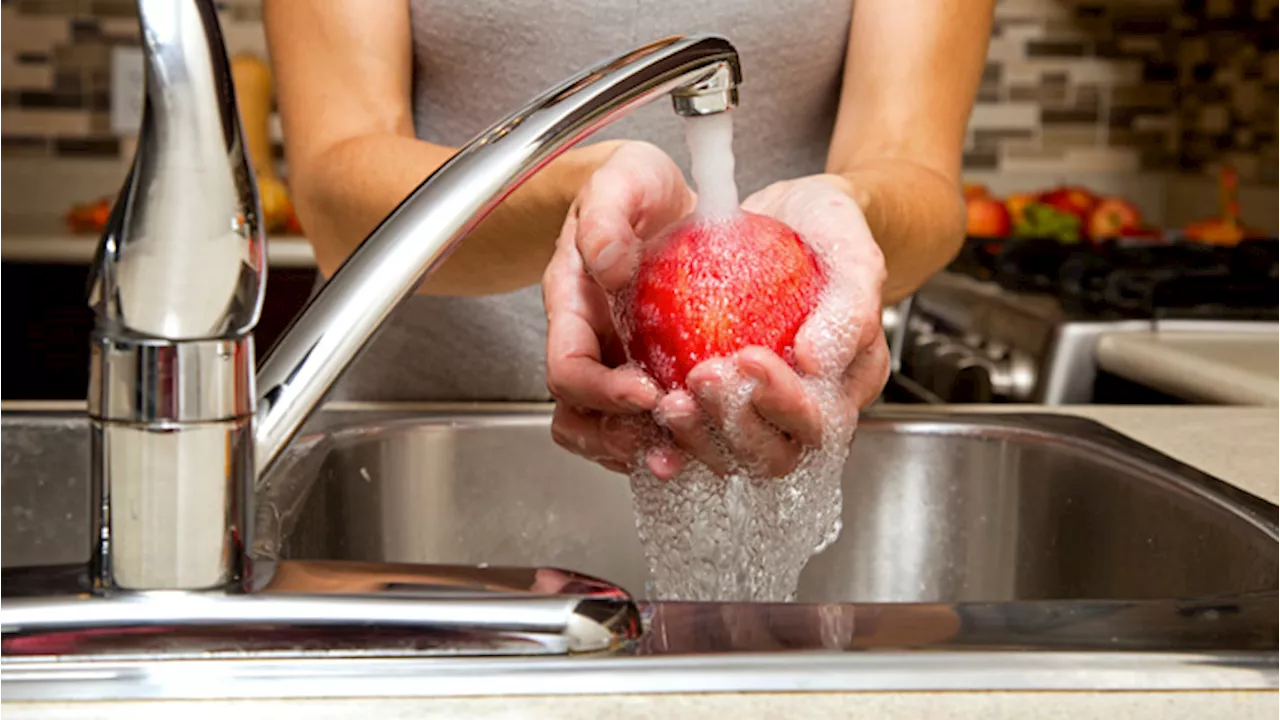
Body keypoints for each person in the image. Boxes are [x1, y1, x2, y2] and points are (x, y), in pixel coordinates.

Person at [263, 0, 993, 480]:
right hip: (418, 463)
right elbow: (335, 202)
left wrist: (851, 207)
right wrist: (575, 193)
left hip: (777, 441)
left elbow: (916, 169)